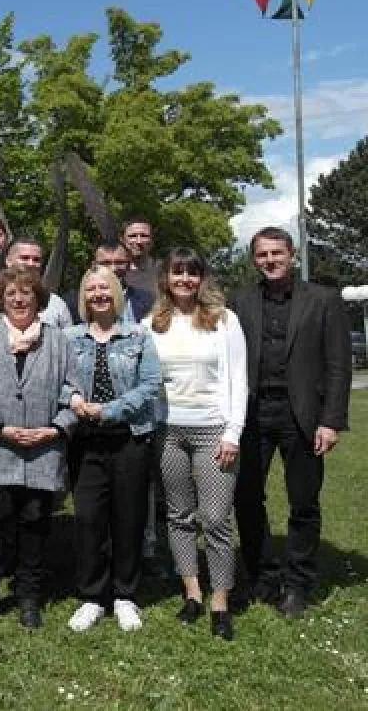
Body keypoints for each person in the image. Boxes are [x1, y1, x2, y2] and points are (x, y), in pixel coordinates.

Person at [231, 227, 352, 619]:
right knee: (246, 499)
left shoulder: (323, 300)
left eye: (277, 254)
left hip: (302, 416)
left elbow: (338, 365)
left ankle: (299, 582)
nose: (270, 260)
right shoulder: (240, 301)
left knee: (303, 502)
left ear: (293, 256)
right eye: (262, 255)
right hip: (251, 412)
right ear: (254, 260)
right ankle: (264, 575)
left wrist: (330, 421)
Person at [0, 266, 81, 630]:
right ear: (1, 298)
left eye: (26, 293)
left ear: (39, 299)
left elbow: (73, 391)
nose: (18, 299)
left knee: (34, 525)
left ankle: (29, 597)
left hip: (42, 449)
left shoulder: (58, 340)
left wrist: (56, 429)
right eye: (11, 293)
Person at [145, 248, 247, 641]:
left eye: (191, 272)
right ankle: (191, 591)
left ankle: (221, 598)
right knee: (179, 516)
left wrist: (232, 433)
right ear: (166, 278)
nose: (184, 279)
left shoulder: (224, 321)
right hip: (169, 432)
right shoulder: (151, 323)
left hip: (212, 432)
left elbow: (238, 379)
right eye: (177, 272)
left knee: (217, 518)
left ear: (202, 278)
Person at [63, 268, 163, 633]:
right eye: (91, 289)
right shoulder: (70, 337)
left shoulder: (138, 336)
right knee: (89, 518)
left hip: (129, 438)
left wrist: (110, 410)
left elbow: (150, 385)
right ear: (83, 297)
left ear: (117, 293)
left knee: (129, 517)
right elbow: (60, 380)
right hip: (86, 439)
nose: (98, 294)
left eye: (105, 287)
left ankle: (124, 595)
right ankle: (91, 596)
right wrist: (73, 398)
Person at [0, 237, 73, 328]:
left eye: (36, 260)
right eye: (24, 258)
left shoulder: (56, 304)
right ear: (8, 261)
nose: (31, 264)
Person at [93, 241, 154, 324]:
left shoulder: (149, 301)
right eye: (105, 263)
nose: (113, 269)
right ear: (94, 266)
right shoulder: (73, 304)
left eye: (119, 262)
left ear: (128, 265)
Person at [121, 216, 157, 296]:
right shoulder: (115, 271)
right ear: (122, 240)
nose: (139, 241)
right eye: (132, 236)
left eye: (144, 236)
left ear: (152, 240)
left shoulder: (164, 271)